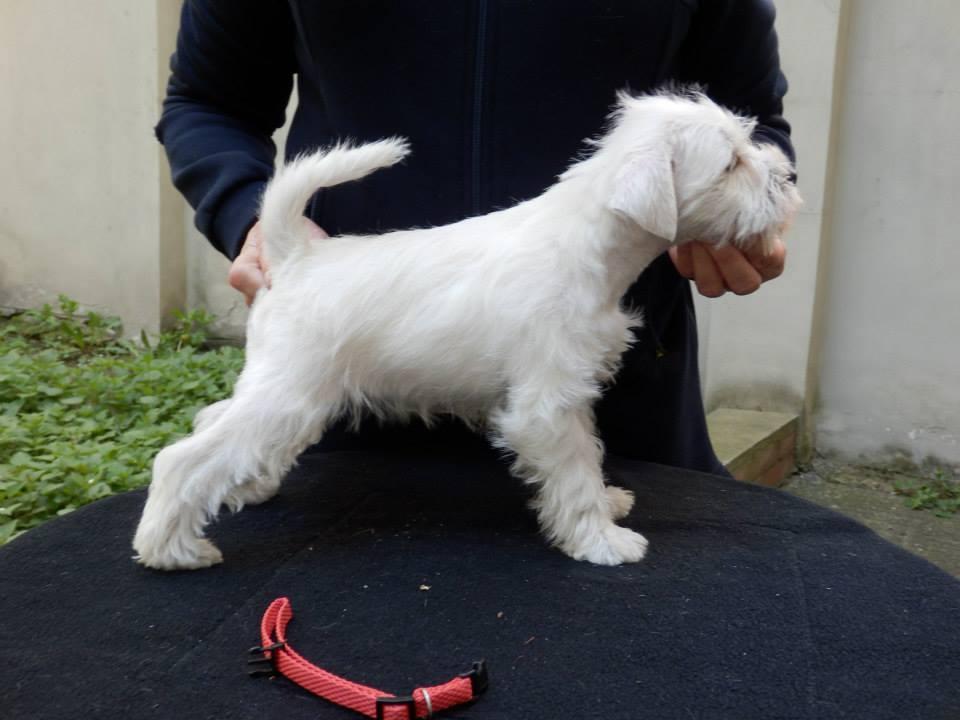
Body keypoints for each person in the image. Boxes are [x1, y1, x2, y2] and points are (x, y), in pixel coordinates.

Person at [157, 1, 794, 475]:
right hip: (355, 334)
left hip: (630, 402)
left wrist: (737, 205)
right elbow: (207, 101)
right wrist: (248, 213)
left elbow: (752, 114)